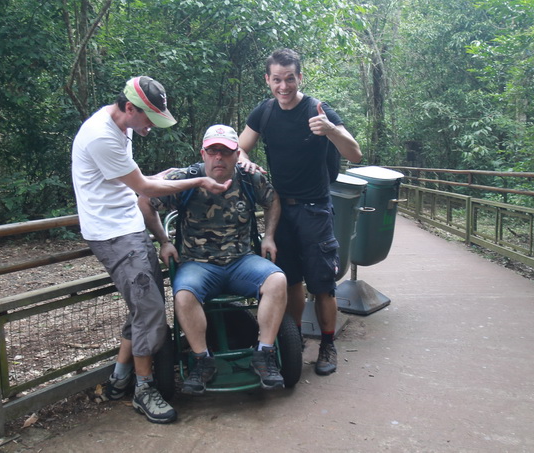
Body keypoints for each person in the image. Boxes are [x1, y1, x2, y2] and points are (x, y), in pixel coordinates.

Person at [71, 76, 231, 424]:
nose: (150, 127)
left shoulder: (120, 124)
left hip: (128, 223)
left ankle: (118, 379)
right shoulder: (101, 136)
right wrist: (202, 179)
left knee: (142, 307)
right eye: (148, 119)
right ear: (130, 108)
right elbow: (144, 186)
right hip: (113, 234)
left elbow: (129, 182)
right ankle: (144, 390)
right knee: (151, 312)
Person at [237, 48, 363, 376]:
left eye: (289, 79)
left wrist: (330, 129)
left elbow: (356, 153)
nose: (283, 86)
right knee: (289, 280)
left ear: (299, 77)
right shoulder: (264, 113)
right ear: (267, 80)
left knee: (322, 284)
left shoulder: (318, 111)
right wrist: (245, 161)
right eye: (277, 79)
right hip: (280, 210)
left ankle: (327, 344)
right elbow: (236, 148)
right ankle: (293, 345)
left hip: (316, 210)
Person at [138, 124, 288, 393]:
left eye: (226, 151)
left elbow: (273, 200)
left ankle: (264, 354)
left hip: (241, 261)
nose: (219, 157)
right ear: (203, 153)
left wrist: (269, 236)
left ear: (237, 154)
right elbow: (145, 200)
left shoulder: (250, 178)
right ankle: (202, 360)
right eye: (213, 151)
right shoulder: (185, 179)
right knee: (183, 295)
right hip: (198, 265)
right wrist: (164, 241)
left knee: (278, 280)